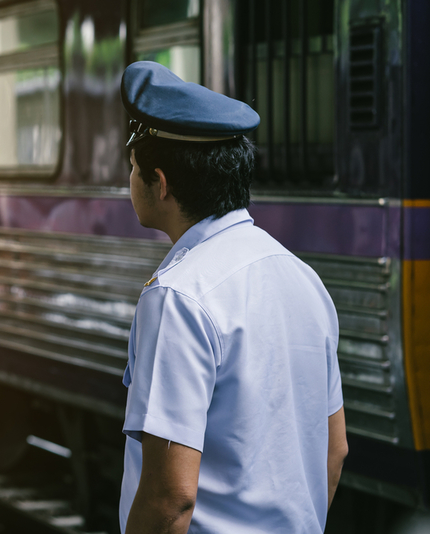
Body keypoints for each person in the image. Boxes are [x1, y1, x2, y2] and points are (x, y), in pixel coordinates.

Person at [119, 61, 348, 534]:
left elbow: (170, 498)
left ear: (159, 183)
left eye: (133, 167)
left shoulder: (178, 296)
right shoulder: (304, 278)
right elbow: (335, 449)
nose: (131, 180)